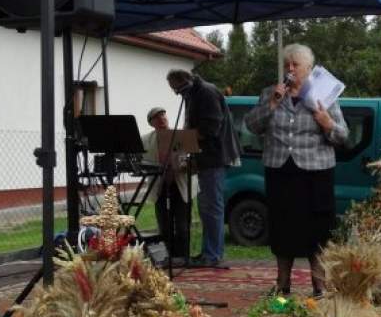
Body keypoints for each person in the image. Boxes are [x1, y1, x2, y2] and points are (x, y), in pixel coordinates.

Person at [245, 43, 349, 297]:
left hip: (316, 173)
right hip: (280, 171)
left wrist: (327, 124)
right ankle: (282, 285)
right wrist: (271, 104)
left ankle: (319, 286)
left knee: (317, 230)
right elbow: (252, 126)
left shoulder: (323, 95)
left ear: (309, 69)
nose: (290, 69)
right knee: (282, 228)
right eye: (286, 64)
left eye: (296, 64)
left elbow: (343, 136)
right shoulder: (270, 93)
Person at [166, 69, 240, 267]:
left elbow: (210, 128)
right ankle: (209, 252)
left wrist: (181, 141)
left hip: (215, 157)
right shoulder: (195, 93)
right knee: (206, 206)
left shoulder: (206, 93)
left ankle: (213, 255)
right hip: (206, 157)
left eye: (177, 90)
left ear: (185, 82)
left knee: (212, 206)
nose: (177, 94)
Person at [141, 107, 195, 260]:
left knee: (182, 226)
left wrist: (186, 164)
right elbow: (138, 158)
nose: (162, 119)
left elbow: (193, 158)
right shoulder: (145, 140)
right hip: (159, 187)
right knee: (164, 226)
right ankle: (169, 257)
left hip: (181, 185)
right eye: (157, 117)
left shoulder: (181, 136)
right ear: (151, 123)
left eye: (163, 115)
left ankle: (183, 257)